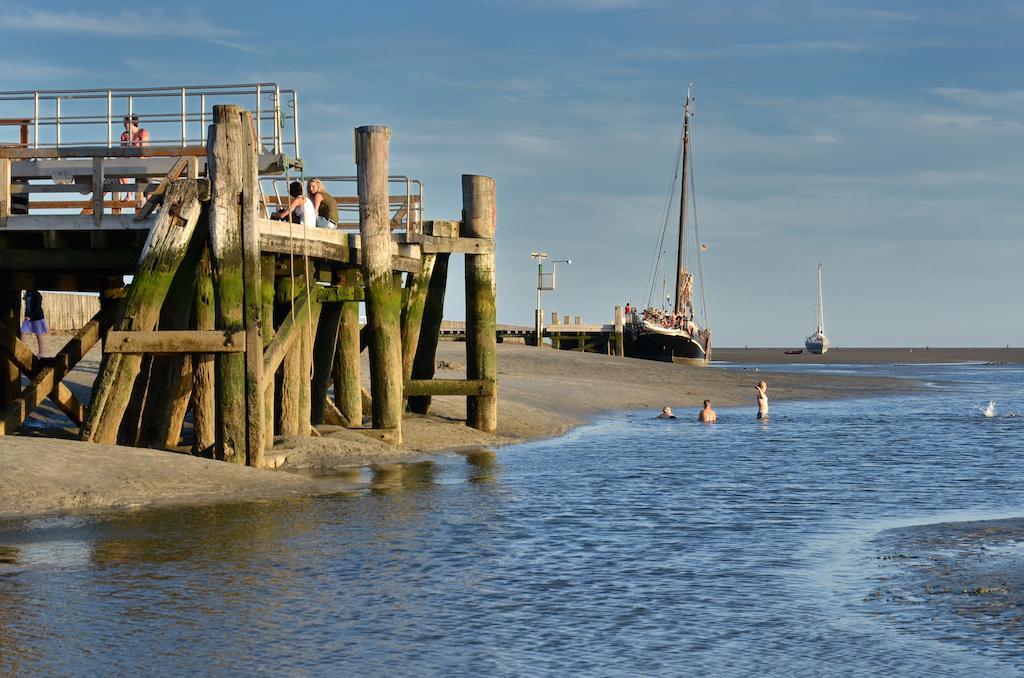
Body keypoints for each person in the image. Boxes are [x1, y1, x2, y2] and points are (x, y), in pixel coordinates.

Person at [20, 290, 47, 356]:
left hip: (37, 317)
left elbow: (37, 308)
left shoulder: (37, 295)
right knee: (23, 331)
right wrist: (27, 315)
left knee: (38, 334)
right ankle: (23, 350)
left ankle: (41, 353)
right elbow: (27, 306)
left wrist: (31, 316)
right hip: (28, 317)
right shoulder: (27, 294)